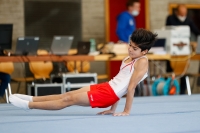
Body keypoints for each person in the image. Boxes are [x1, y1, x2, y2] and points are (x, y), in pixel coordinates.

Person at [9, 29, 157, 116]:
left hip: (108, 94)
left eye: (135, 48)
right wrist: (112, 109)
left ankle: (28, 106)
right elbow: (121, 82)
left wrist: (126, 111)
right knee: (66, 94)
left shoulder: (142, 61)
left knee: (68, 100)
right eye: (130, 45)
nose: (130, 49)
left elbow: (130, 88)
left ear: (144, 51)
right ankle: (32, 98)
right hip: (106, 87)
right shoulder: (129, 57)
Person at [166, 4, 200, 94]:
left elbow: (197, 32)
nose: (183, 16)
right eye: (181, 14)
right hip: (172, 50)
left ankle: (182, 92)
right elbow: (167, 31)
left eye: (184, 14)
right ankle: (168, 90)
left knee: (183, 71)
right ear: (177, 12)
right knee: (170, 71)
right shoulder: (170, 19)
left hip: (183, 50)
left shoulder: (188, 20)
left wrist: (195, 42)